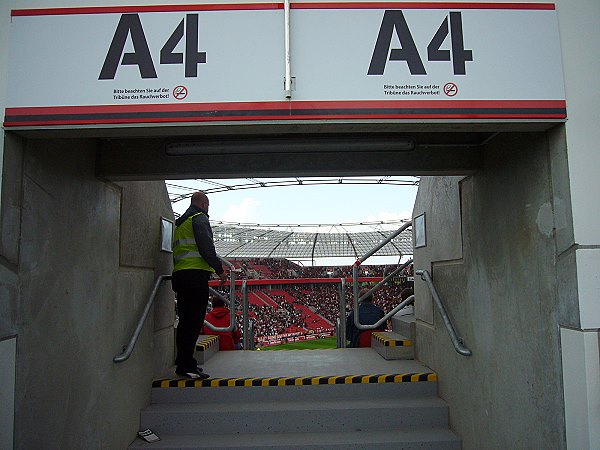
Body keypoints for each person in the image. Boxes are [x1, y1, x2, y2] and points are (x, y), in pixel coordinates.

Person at [172, 191, 227, 378]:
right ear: (203, 204)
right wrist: (219, 269)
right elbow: (206, 246)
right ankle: (186, 365)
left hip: (181, 276)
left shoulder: (180, 223)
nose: (208, 208)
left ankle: (184, 362)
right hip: (195, 277)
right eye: (208, 205)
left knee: (185, 323)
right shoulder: (199, 218)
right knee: (193, 323)